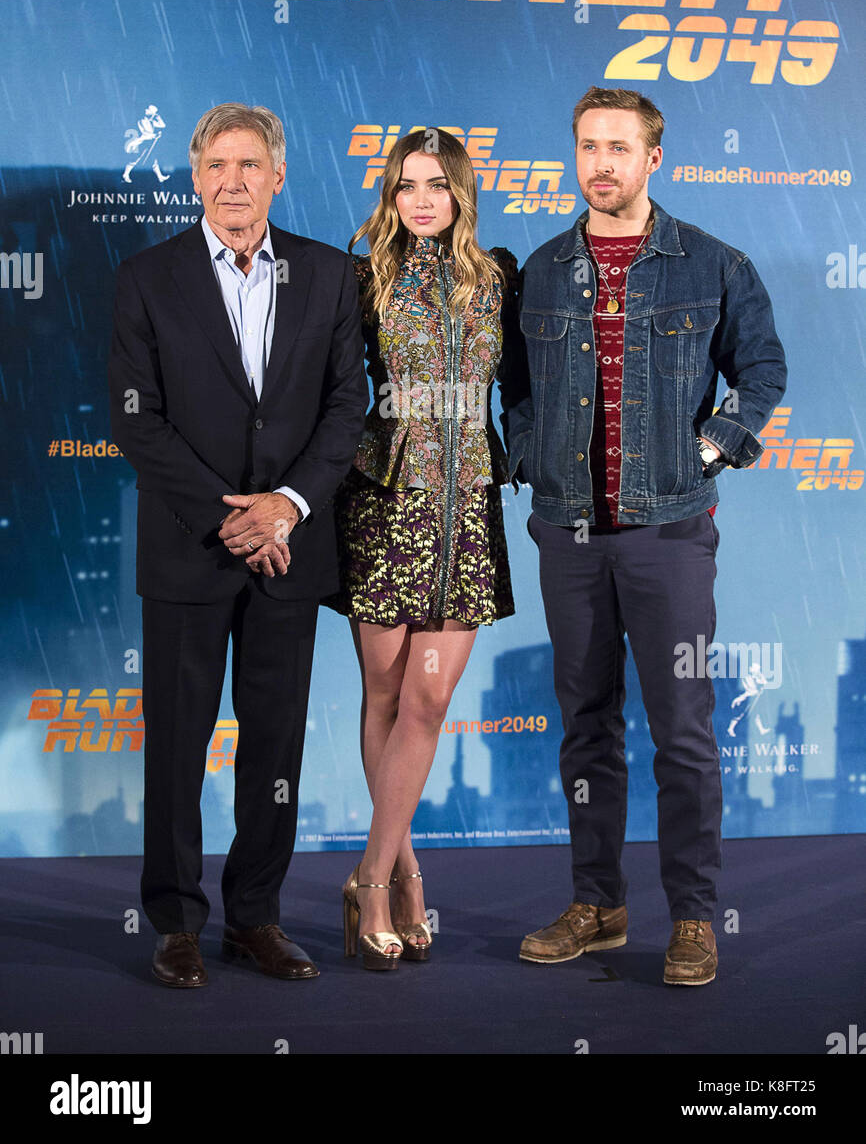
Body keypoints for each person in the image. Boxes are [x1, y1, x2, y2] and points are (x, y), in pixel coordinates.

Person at [502, 86, 786, 986]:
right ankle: (600, 904)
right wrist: (533, 458)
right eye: (588, 146)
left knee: (684, 731)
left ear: (653, 159)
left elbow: (764, 369)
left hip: (669, 532)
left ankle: (694, 919)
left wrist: (713, 445)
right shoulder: (542, 269)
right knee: (585, 727)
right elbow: (515, 386)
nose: (602, 164)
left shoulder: (713, 263)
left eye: (620, 148)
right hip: (571, 535)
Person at [108, 103, 368, 987]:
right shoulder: (147, 277)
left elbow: (346, 408)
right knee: (178, 745)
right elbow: (137, 423)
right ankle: (177, 921)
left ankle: (254, 916)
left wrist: (286, 507)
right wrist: (232, 518)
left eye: (249, 165)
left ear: (278, 175)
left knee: (276, 748)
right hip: (191, 550)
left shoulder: (331, 276)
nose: (233, 182)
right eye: (217, 165)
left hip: (288, 553)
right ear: (194, 177)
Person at [327, 127, 517, 970]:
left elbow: (532, 385)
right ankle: (403, 875)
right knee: (384, 694)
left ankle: (369, 872)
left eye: (437, 184)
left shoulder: (499, 276)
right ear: (391, 196)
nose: (422, 199)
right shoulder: (362, 275)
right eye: (407, 186)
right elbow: (332, 389)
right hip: (385, 502)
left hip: (468, 508)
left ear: (463, 191)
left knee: (429, 703)